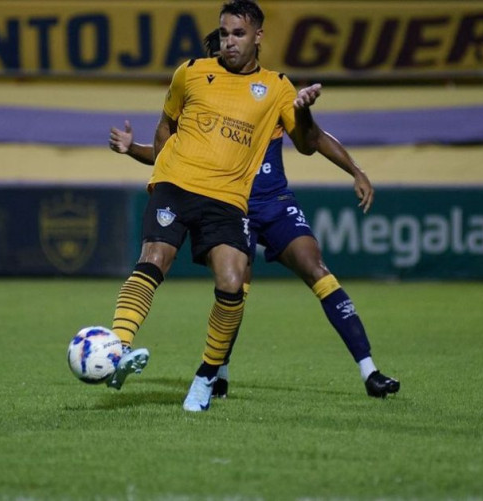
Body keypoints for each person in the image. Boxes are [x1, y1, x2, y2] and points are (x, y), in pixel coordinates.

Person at [109, 29, 400, 400]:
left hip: (272, 200)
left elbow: (315, 139)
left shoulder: (267, 95)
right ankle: (217, 374)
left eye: (233, 43)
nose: (225, 54)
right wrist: (132, 148)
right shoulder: (202, 96)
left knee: (317, 269)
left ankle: (369, 370)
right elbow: (169, 151)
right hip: (230, 201)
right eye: (219, 50)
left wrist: (356, 169)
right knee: (234, 284)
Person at [102, 0, 323, 412]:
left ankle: (206, 377)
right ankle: (117, 347)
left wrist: (304, 113)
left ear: (258, 36)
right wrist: (141, 154)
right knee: (155, 256)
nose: (229, 41)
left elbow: (307, 146)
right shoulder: (190, 73)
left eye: (238, 34)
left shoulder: (277, 87)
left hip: (227, 198)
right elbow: (167, 128)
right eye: (224, 33)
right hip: (176, 184)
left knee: (232, 280)